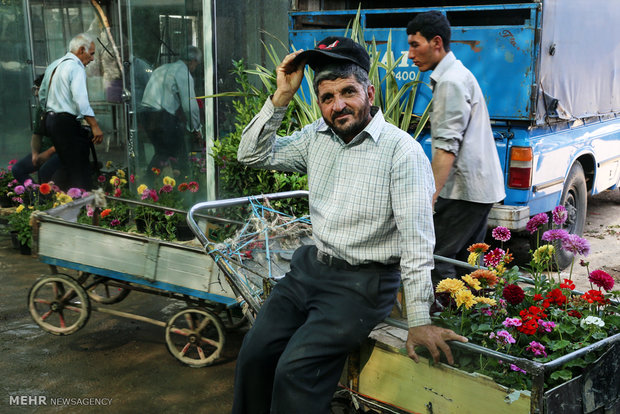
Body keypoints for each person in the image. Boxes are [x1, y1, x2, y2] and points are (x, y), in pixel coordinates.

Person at [233, 36, 467, 414]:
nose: (338, 105)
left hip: (362, 285)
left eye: (348, 92)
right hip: (311, 270)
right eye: (327, 97)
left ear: (369, 92)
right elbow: (251, 154)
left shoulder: (401, 151)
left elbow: (416, 242)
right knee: (255, 354)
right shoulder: (316, 137)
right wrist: (281, 97)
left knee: (295, 372)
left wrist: (419, 319)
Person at [406, 11, 505, 284]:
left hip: (464, 191)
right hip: (476, 191)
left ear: (436, 43)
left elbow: (446, 148)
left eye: (415, 45)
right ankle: (478, 321)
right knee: (467, 264)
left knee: (439, 261)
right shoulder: (457, 75)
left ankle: (446, 322)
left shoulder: (451, 81)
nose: (410, 54)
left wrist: (430, 198)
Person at [39, 32, 103, 190]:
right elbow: (81, 100)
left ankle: (51, 193)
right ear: (82, 50)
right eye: (92, 53)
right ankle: (81, 204)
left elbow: (42, 95)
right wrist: (94, 125)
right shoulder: (76, 67)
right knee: (79, 169)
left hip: (51, 120)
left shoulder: (55, 65)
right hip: (65, 122)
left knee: (69, 162)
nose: (93, 59)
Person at [140, 46, 203, 177]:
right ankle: (179, 182)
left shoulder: (163, 68)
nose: (195, 68)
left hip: (146, 114)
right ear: (193, 61)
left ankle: (163, 183)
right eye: (197, 64)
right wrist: (196, 128)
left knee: (163, 151)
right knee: (169, 152)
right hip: (160, 115)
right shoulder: (183, 72)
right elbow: (190, 105)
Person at [12, 74, 61, 185]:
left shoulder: (63, 108)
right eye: (35, 89)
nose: (36, 94)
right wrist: (35, 154)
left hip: (62, 151)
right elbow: (37, 135)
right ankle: (36, 196)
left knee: (44, 171)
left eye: (39, 89)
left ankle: (48, 198)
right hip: (45, 150)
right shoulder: (42, 109)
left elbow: (68, 139)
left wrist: (48, 153)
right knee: (17, 169)